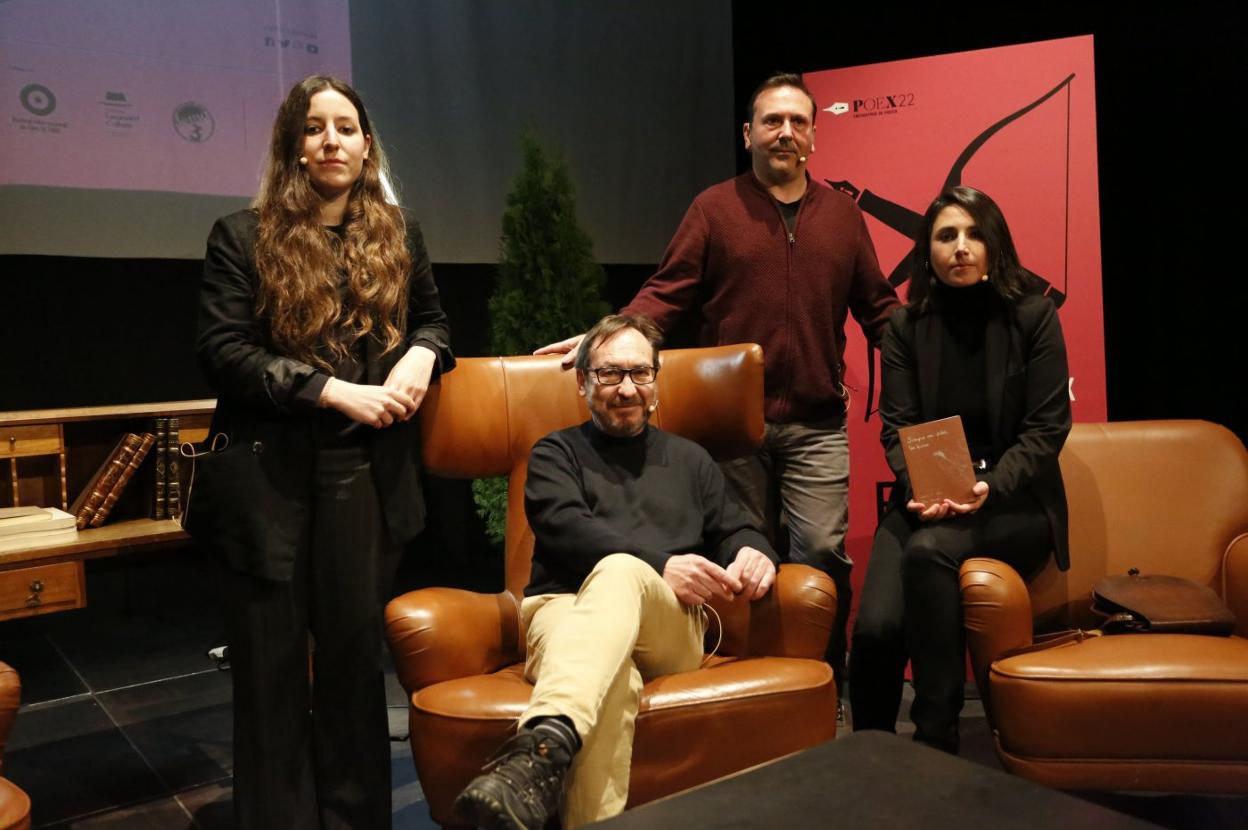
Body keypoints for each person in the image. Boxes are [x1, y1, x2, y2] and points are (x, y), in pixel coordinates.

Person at [535, 74, 900, 691]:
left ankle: (823, 684)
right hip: (732, 428)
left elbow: (881, 310)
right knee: (744, 561)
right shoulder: (714, 209)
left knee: (819, 556)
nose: (785, 132)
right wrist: (607, 337)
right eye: (771, 121)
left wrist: (932, 354)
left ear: (814, 135)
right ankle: (757, 685)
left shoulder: (843, 216)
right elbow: (667, 292)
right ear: (748, 134)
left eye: (798, 122)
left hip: (816, 425)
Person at [190, 75, 454, 828]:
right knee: (269, 672)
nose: (331, 140)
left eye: (345, 127)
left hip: (365, 478)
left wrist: (422, 354)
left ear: (367, 145)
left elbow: (435, 321)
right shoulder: (241, 236)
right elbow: (223, 352)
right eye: (314, 127)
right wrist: (333, 391)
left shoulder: (399, 234)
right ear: (293, 146)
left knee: (352, 667)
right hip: (267, 479)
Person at [456, 314, 778, 830]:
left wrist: (754, 551)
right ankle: (556, 769)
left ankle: (536, 752)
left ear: (655, 380)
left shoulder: (692, 460)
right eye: (609, 374)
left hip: (668, 622)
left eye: (639, 373)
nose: (627, 388)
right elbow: (566, 530)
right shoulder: (555, 453)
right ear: (583, 382)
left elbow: (737, 528)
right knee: (616, 680)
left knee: (623, 569)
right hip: (562, 607)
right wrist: (663, 565)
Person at [848, 186, 1071, 753]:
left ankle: (935, 739)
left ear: (995, 244)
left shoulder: (1034, 316)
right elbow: (898, 427)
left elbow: (1046, 430)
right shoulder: (905, 327)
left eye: (974, 234)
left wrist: (986, 487)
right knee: (874, 629)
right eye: (946, 235)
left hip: (1014, 501)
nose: (961, 247)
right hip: (929, 495)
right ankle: (869, 760)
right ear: (928, 251)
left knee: (930, 552)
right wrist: (924, 488)